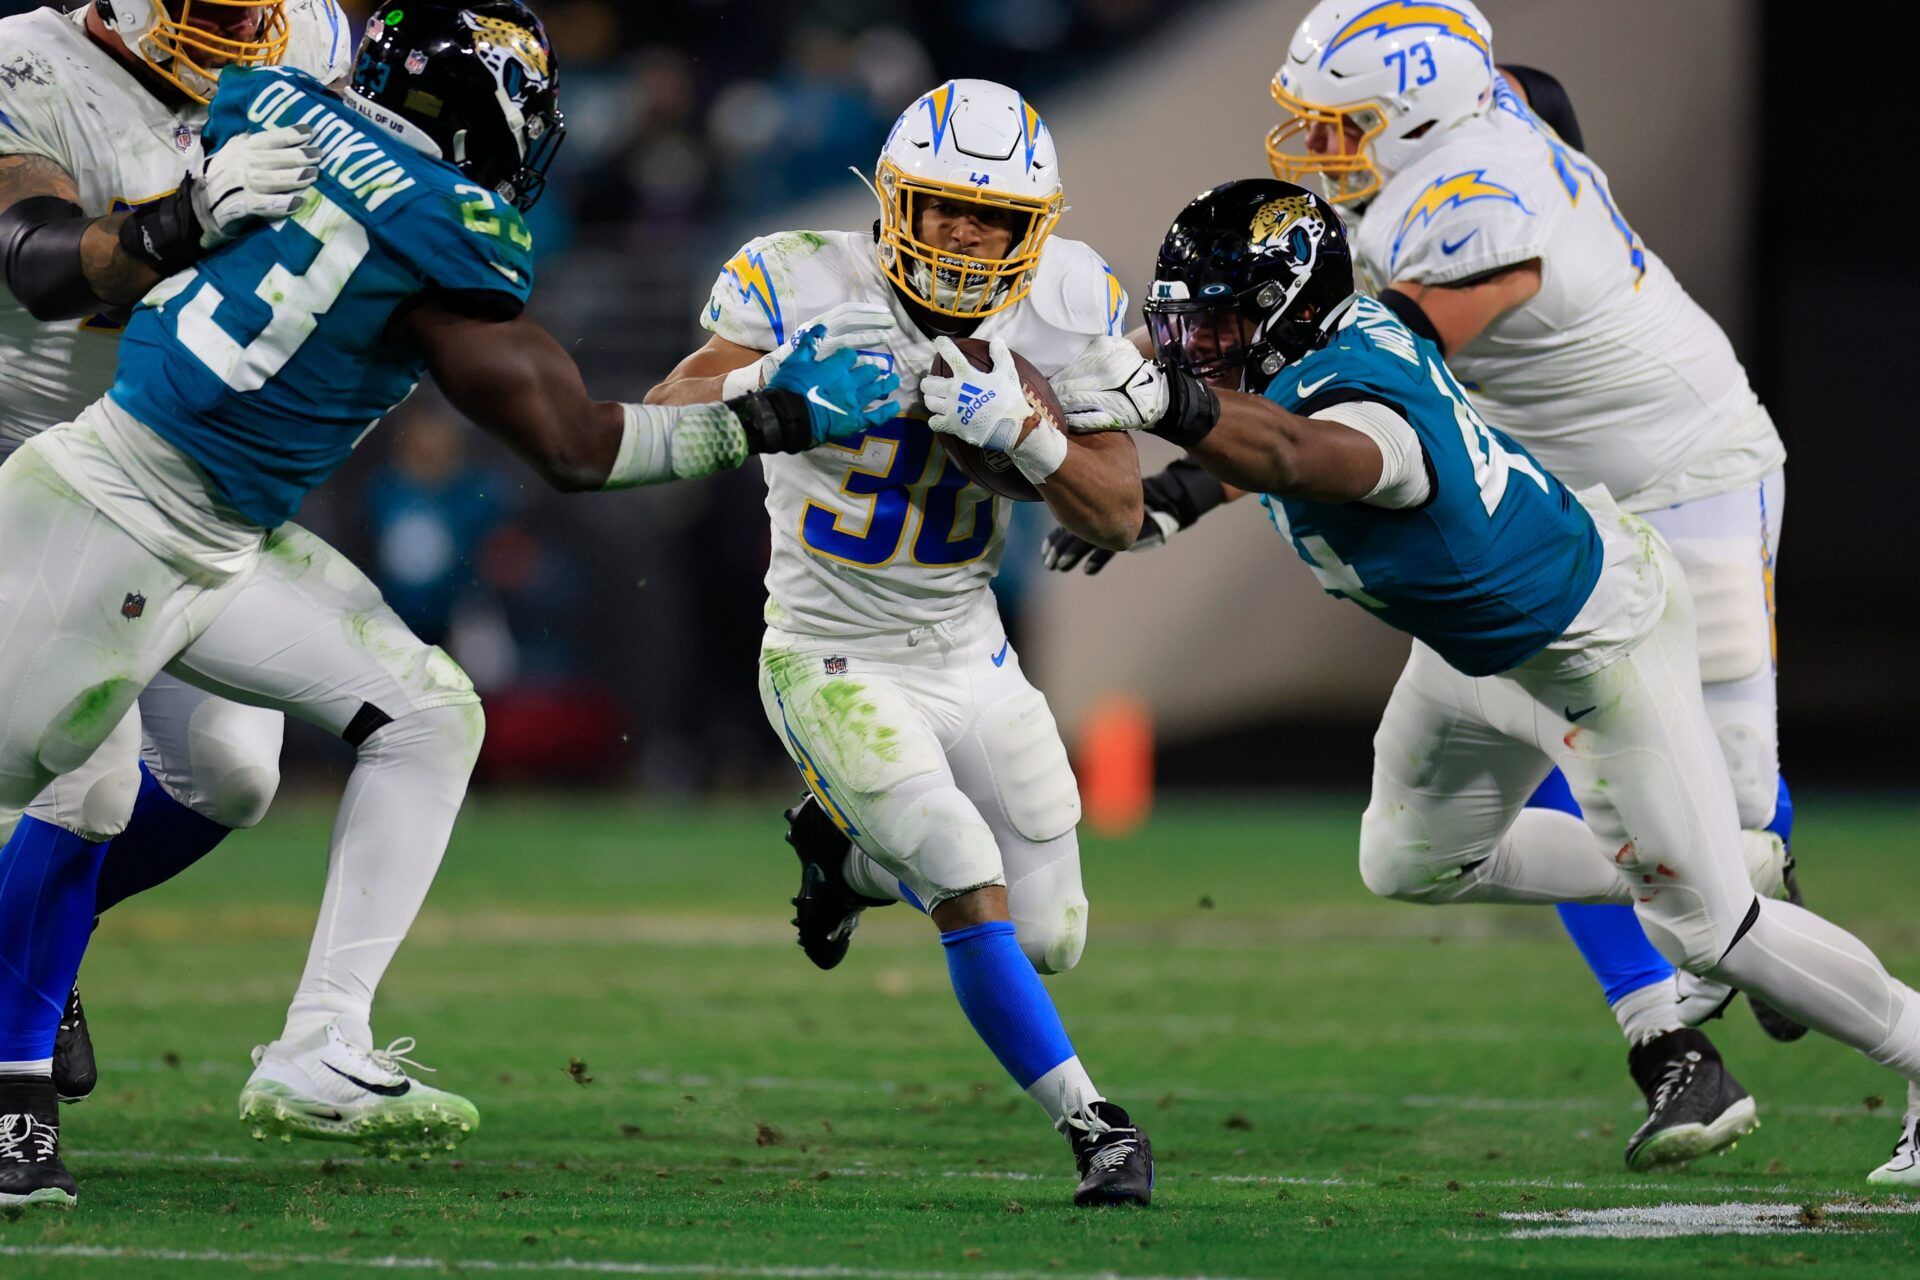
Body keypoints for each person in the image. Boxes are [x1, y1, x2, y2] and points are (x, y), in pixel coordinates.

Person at [0, 0, 898, 1208]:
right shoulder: (51, 69)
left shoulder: (292, 82)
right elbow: (577, 447)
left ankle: (315, 1039)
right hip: (70, 491)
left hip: (208, 524)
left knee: (362, 731)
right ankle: (12, 1088)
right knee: (84, 781)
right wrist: (776, 416)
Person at [1046, 0, 1796, 1168]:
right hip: (1546, 502)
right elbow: (1346, 405)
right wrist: (1190, 485)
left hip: (1678, 472)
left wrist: (1180, 439)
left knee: (1731, 799)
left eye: (1345, 127)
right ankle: (1673, 1033)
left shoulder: (1480, 194)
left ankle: (1765, 914)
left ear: (1429, 115)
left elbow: (1356, 401)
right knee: (1561, 759)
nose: (1320, 151)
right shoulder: (1437, 174)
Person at [647, 79, 1155, 1206]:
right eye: (944, 209)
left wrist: (1028, 431)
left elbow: (1117, 508)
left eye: (997, 219)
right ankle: (1095, 1122)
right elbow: (670, 403)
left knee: (1055, 932)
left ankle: (846, 854)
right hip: (829, 653)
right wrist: (772, 376)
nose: (969, 236)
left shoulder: (1071, 300)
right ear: (890, 202)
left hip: (970, 651)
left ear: (1040, 232)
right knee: (967, 879)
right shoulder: (795, 276)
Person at [0, 0, 356, 1112]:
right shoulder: (25, 61)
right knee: (90, 778)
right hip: (21, 462)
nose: (244, 29)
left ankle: (26, 934)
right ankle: (15, 1106)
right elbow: (41, 266)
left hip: (166, 476)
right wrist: (182, 218)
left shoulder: (303, 55)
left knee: (235, 774)